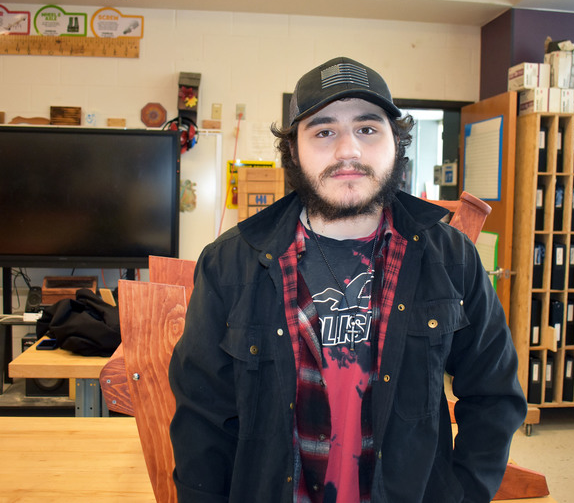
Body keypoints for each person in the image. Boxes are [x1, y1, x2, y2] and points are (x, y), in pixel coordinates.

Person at [169, 56, 527, 503]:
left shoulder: (451, 257)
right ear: (293, 150)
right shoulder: (230, 265)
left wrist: (462, 493)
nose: (348, 151)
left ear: (395, 143)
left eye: (367, 128)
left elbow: (494, 395)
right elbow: (202, 421)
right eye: (323, 131)